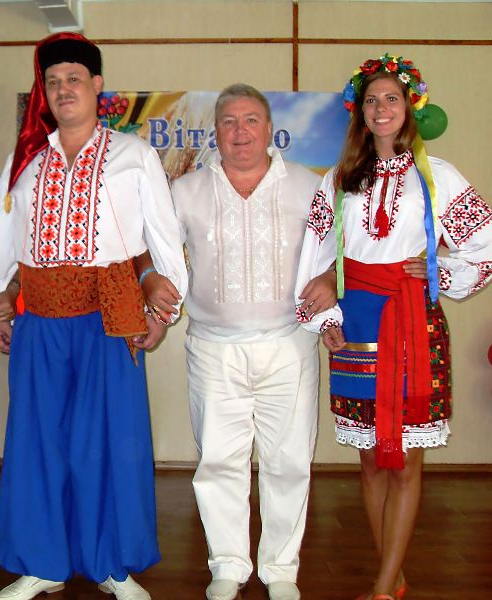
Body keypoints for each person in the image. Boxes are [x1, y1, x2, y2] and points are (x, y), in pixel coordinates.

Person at [0, 32, 188, 600]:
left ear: (97, 85)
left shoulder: (133, 155)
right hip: (40, 319)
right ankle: (42, 563)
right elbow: (2, 239)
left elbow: (162, 235)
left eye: (74, 78)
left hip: (107, 316)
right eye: (52, 81)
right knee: (38, 443)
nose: (63, 89)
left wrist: (162, 309)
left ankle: (111, 565)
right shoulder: (26, 160)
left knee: (108, 444)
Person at [294, 54, 492, 600]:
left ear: (410, 107)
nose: (381, 108)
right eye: (371, 100)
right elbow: (314, 254)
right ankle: (394, 577)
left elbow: (485, 247)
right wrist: (324, 313)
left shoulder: (438, 176)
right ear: (359, 111)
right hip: (356, 321)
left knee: (403, 460)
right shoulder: (338, 179)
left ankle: (383, 588)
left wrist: (439, 269)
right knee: (369, 460)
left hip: (412, 322)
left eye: (392, 98)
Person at [166, 84, 334, 600]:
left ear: (269, 128)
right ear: (215, 131)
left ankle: (281, 569)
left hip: (289, 344)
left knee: (289, 461)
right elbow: (158, 254)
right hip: (213, 347)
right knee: (219, 460)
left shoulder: (309, 187)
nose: (240, 131)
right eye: (229, 122)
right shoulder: (185, 191)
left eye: (251, 120)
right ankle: (227, 564)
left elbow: (338, 253)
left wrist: (331, 281)